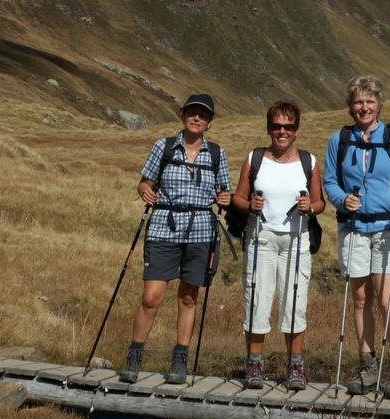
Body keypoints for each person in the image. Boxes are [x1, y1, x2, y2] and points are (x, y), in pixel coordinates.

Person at [119, 94, 231, 384]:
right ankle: (135, 355)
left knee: (188, 299)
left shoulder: (217, 153)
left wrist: (226, 198)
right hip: (163, 230)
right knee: (151, 297)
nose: (197, 118)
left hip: (201, 233)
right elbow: (145, 181)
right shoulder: (164, 146)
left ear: (210, 122)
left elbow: (225, 194)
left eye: (203, 115)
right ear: (182, 115)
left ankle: (179, 360)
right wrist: (144, 189)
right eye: (192, 113)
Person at [323, 75, 390, 399]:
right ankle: (366, 368)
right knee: (361, 299)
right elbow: (331, 181)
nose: (363, 107)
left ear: (379, 104)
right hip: (353, 228)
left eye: (369, 101)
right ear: (350, 106)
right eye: (358, 102)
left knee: (386, 299)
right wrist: (341, 199)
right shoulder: (340, 139)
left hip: (389, 227)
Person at [232, 100, 325, 391]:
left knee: (295, 302)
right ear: (269, 128)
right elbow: (237, 198)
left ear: (296, 129)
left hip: (297, 241)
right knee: (257, 299)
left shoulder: (309, 162)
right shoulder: (255, 158)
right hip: (261, 239)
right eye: (277, 126)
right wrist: (250, 205)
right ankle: (255, 364)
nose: (282, 131)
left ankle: (295, 366)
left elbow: (320, 203)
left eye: (288, 126)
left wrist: (310, 205)